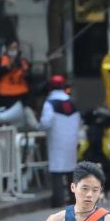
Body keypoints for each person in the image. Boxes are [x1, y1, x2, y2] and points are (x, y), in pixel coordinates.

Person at [40, 75, 81, 207]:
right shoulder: (72, 102)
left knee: (57, 170)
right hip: (71, 139)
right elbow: (78, 121)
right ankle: (74, 198)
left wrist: (38, 125)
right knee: (70, 169)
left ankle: (59, 200)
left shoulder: (50, 103)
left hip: (56, 140)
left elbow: (46, 122)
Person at [0, 41, 31, 107]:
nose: (13, 51)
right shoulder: (0, 60)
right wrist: (7, 68)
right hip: (5, 94)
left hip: (21, 93)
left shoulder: (22, 61)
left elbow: (29, 77)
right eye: (11, 48)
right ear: (7, 49)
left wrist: (26, 72)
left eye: (15, 48)